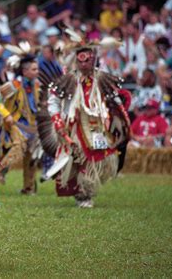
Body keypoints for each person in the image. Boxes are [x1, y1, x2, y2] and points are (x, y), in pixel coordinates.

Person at [38, 35, 131, 208]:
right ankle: (83, 193)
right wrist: (58, 121)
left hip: (99, 127)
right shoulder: (68, 80)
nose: (83, 65)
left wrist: (121, 117)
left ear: (93, 59)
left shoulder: (103, 78)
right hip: (75, 126)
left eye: (87, 61)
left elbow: (115, 100)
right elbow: (54, 101)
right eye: (80, 61)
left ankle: (87, 189)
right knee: (79, 159)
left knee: (100, 160)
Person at [0, 47, 41, 194]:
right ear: (25, 71)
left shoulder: (37, 85)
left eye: (37, 69)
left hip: (31, 125)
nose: (37, 72)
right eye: (34, 69)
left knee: (30, 154)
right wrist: (6, 115)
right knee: (19, 144)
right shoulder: (14, 85)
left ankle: (28, 187)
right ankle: (1, 169)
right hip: (14, 122)